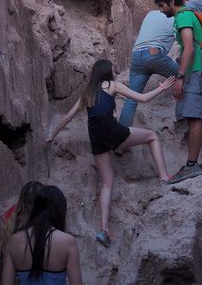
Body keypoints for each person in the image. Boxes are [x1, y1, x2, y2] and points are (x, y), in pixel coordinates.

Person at [47, 60, 174, 248]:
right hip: (112, 132)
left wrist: (52, 135)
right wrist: (161, 88)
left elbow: (67, 117)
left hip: (96, 138)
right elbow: (143, 98)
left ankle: (104, 230)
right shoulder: (112, 85)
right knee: (152, 136)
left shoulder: (87, 94)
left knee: (107, 183)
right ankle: (164, 177)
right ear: (107, 72)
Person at [155, 0, 202, 184]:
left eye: (162, 5)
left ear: (172, 2)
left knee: (194, 118)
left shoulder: (182, 16)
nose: (161, 10)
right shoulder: (190, 14)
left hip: (198, 72)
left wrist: (180, 76)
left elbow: (189, 47)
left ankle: (192, 166)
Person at [119, 10, 179, 128]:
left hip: (136, 55)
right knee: (187, 79)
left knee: (131, 100)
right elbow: (184, 42)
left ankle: (121, 139)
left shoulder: (150, 14)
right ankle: (185, 120)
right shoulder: (175, 17)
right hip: (154, 54)